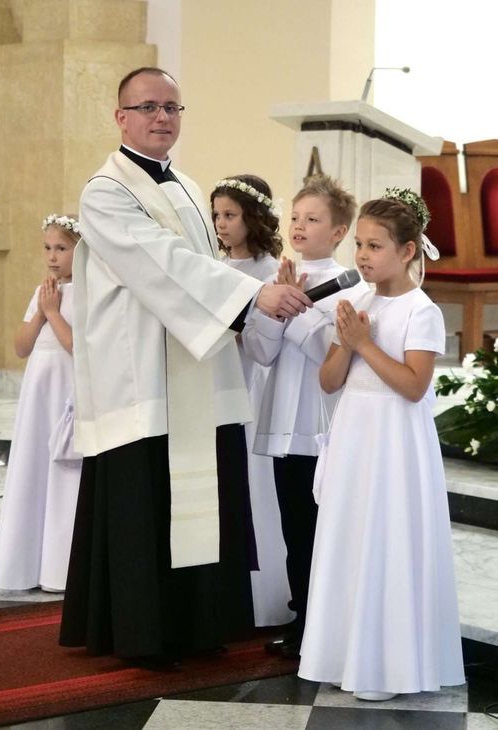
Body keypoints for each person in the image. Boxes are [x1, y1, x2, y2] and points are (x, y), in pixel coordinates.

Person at [59, 67, 311, 663]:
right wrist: (251, 295)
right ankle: (144, 635)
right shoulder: (107, 190)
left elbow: (201, 266)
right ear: (121, 117)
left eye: (172, 107)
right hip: (143, 373)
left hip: (197, 368)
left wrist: (249, 297)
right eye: (148, 107)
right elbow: (162, 263)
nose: (162, 117)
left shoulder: (189, 187)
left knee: (202, 500)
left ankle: (198, 625)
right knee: (147, 501)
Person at [298, 189, 465, 700]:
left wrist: (364, 344)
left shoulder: (422, 311)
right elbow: (329, 381)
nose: (363, 256)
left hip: (395, 442)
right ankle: (343, 655)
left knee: (387, 541)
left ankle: (388, 668)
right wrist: (346, 344)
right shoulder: (358, 305)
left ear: (407, 250)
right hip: (355, 435)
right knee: (350, 540)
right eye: (359, 245)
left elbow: (413, 386)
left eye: (375, 246)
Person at [242, 175, 368, 657]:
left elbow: (329, 355)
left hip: (318, 425)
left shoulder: (349, 289)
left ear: (338, 232)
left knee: (320, 531)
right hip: (282, 423)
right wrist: (278, 307)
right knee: (294, 531)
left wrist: (298, 311)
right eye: (295, 217)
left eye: (312, 219)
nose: (299, 226)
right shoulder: (279, 279)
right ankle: (301, 620)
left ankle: (326, 626)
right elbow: (261, 352)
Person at [211, 175, 294, 627]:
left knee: (254, 487)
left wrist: (234, 318)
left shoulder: (269, 272)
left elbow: (264, 348)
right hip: (215, 386)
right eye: (217, 215)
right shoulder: (213, 266)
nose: (221, 224)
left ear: (254, 217)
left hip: (251, 389)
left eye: (230, 215)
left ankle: (264, 602)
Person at [0, 214, 82, 593]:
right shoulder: (44, 291)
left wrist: (54, 313)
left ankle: (60, 569)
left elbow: (77, 347)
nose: (52, 257)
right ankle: (24, 565)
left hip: (66, 392)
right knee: (33, 468)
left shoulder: (87, 292)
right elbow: (21, 346)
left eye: (61, 248)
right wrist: (42, 311)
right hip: (38, 397)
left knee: (63, 475)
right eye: (47, 248)